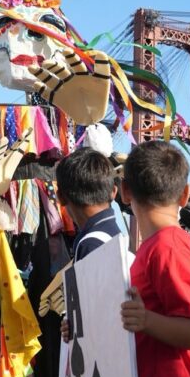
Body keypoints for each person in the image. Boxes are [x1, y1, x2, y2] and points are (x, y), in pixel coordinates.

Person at [119, 140, 190, 377]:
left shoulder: (168, 246)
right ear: (185, 194)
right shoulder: (155, 248)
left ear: (125, 192)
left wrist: (146, 320)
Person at [56, 147, 123, 343]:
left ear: (61, 197)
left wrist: (76, 325)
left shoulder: (90, 243)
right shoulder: (114, 235)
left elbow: (94, 314)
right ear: (114, 191)